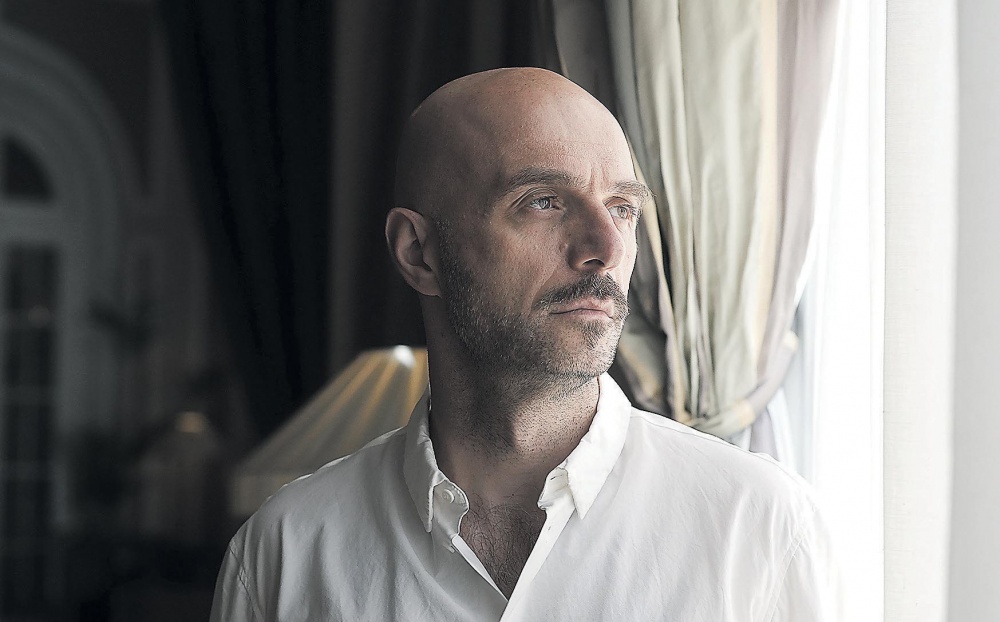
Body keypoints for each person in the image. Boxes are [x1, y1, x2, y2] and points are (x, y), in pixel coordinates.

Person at [209, 67, 839, 621]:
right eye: (543, 202)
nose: (606, 247)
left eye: (622, 207)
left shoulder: (761, 530)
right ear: (418, 252)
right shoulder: (283, 557)